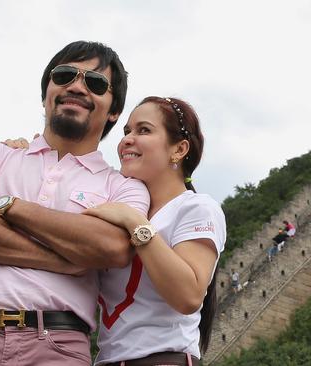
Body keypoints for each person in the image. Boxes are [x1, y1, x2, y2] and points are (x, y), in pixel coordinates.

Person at [0, 41, 150, 366]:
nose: (76, 86)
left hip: (58, 348)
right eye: (64, 75)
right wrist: (63, 258)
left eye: (95, 83)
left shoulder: (123, 186)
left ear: (114, 110)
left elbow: (113, 248)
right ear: (46, 92)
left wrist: (8, 206)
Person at [83, 97, 226, 365]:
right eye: (127, 131)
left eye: (144, 130)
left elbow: (188, 296)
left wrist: (136, 223)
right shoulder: (115, 205)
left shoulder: (196, 208)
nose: (127, 139)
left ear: (179, 149)